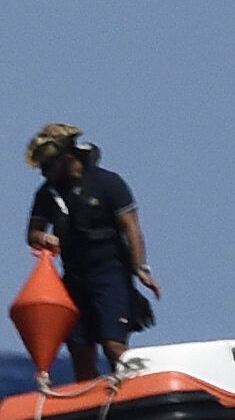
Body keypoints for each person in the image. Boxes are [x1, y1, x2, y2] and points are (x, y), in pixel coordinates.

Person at [22, 124, 158, 382]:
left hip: (109, 273)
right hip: (74, 278)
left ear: (66, 159)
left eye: (49, 165)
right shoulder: (47, 194)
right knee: (80, 349)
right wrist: (43, 237)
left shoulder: (107, 183)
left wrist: (141, 268)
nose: (44, 172)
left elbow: (131, 227)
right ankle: (92, 406)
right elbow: (32, 232)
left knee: (112, 343)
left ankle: (134, 390)